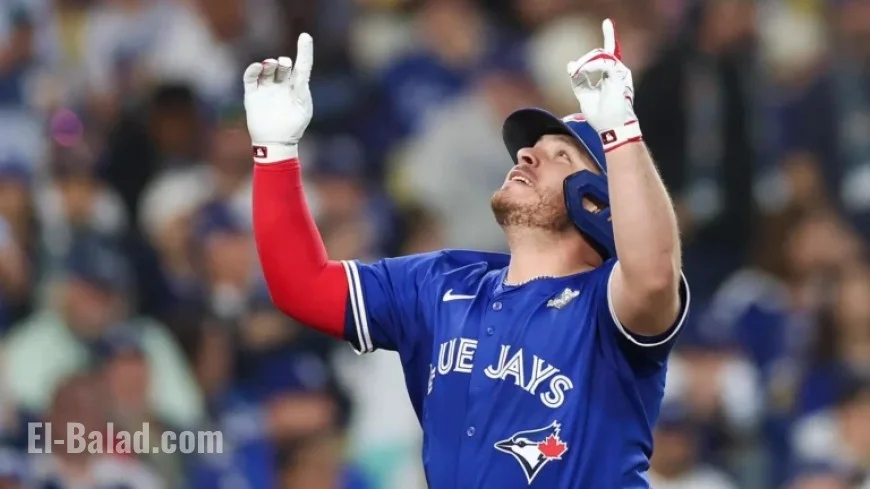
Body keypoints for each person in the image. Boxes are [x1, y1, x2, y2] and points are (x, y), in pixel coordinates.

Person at [245, 20, 689, 488]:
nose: (526, 156)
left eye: (561, 156)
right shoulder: (440, 281)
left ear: (598, 203)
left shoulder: (606, 303)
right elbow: (302, 286)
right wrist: (275, 151)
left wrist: (620, 130)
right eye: (529, 149)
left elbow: (654, 276)